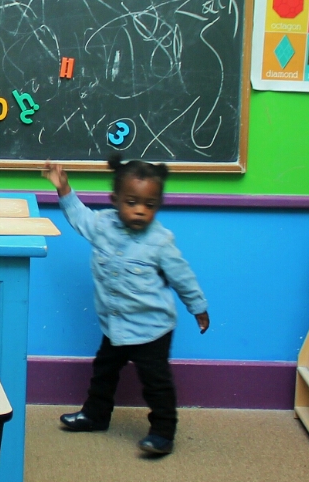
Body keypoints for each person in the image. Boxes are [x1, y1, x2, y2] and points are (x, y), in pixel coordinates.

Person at [42, 157, 209, 457]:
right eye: (132, 202)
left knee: (155, 382)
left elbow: (183, 277)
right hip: (115, 325)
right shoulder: (102, 226)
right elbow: (79, 216)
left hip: (152, 329)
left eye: (149, 204)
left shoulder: (160, 243)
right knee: (103, 371)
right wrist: (64, 189)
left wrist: (198, 307)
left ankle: (163, 432)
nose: (140, 210)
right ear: (115, 200)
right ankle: (95, 415)